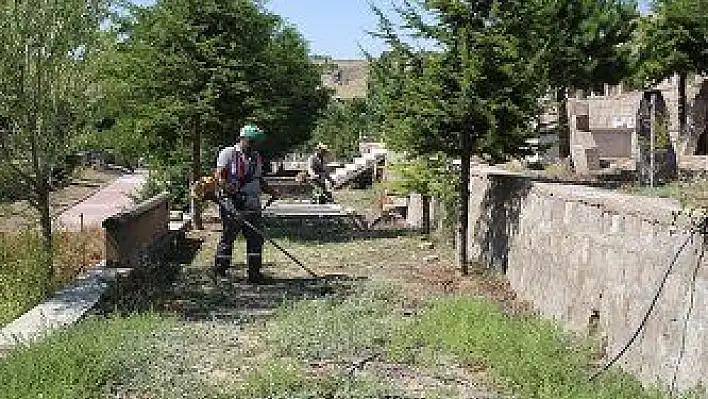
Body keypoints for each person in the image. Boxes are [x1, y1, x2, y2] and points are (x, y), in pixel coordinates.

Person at [213, 124, 278, 283]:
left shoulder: (256, 157)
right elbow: (219, 177)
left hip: (253, 204)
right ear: (243, 139)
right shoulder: (227, 154)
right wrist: (229, 189)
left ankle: (254, 274)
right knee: (228, 237)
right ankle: (220, 272)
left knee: (256, 239)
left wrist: (272, 191)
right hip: (233, 205)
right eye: (252, 141)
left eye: (256, 142)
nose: (255, 144)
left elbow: (258, 179)